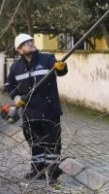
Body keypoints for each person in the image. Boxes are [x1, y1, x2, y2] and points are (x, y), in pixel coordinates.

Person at [4, 33, 68, 184]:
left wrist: (62, 67)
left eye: (31, 41)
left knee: (52, 143)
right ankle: (38, 171)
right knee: (35, 143)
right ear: (19, 50)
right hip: (30, 112)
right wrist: (16, 98)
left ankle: (52, 173)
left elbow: (61, 71)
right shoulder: (15, 67)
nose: (31, 43)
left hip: (49, 109)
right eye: (26, 43)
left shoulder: (47, 59)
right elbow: (9, 85)